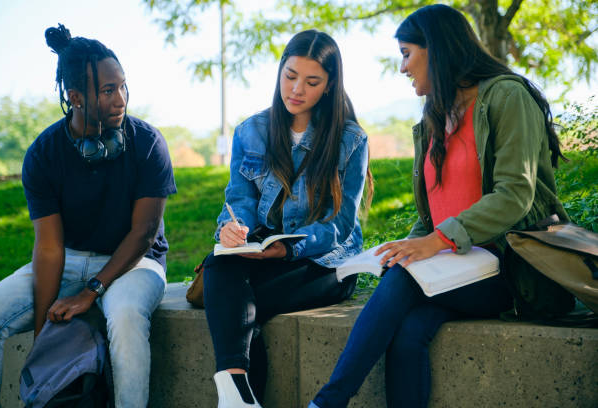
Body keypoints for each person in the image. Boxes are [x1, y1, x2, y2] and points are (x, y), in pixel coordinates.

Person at [309, 4, 569, 408]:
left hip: (509, 269)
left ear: (437, 49)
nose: (402, 67)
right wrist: (405, 246)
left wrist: (434, 242)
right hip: (455, 270)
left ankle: (329, 401)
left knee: (404, 279)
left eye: (407, 53)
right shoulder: (434, 117)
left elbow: (516, 194)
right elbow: (433, 215)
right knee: (410, 331)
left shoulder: (506, 97)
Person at [0, 24, 176, 407]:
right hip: (70, 258)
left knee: (124, 317)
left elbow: (143, 233)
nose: (121, 99)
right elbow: (50, 248)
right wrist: (43, 335)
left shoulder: (148, 143)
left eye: (123, 86)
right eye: (108, 91)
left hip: (136, 262)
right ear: (75, 97)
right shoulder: (44, 154)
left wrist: (92, 292)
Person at [203, 29, 373, 408]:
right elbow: (239, 199)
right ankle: (236, 393)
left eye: (312, 82)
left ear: (329, 85)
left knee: (236, 303)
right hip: (264, 251)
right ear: (279, 71)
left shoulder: (350, 140)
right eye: (290, 76)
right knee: (219, 262)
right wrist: (232, 228)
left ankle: (238, 396)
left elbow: (340, 224)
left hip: (322, 261)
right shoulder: (251, 131)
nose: (296, 89)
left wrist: (288, 250)